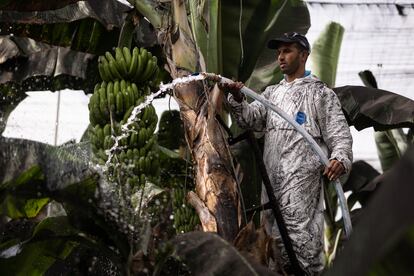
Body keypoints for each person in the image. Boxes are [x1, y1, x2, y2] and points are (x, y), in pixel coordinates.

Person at [224, 32, 353, 275]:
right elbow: (250, 120)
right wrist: (239, 97)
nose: (281, 57)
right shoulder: (273, 93)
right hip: (271, 190)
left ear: (303, 55)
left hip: (301, 193)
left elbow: (340, 136)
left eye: (287, 51)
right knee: (272, 250)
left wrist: (340, 158)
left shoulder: (320, 94)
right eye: (279, 52)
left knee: (301, 250)